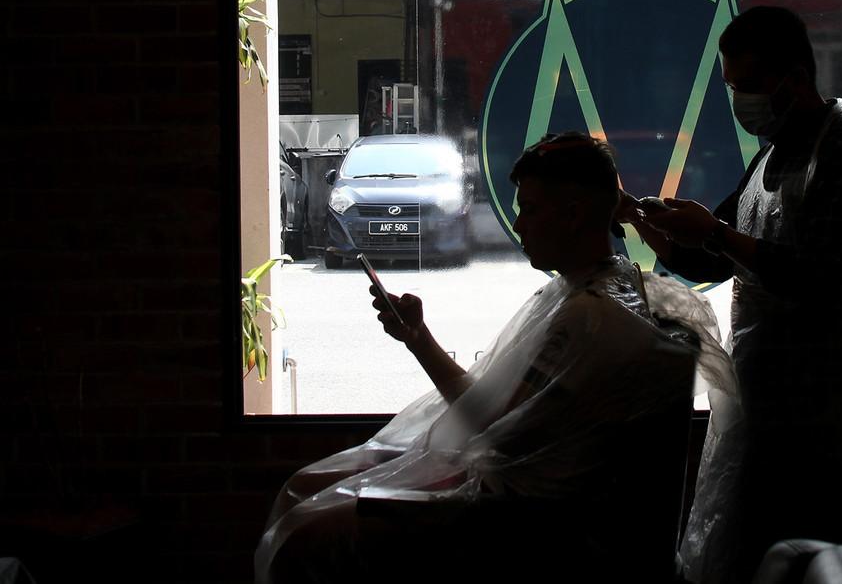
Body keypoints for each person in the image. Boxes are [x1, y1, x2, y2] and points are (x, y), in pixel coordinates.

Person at [255, 133, 733, 584]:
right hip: (532, 498)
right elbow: (504, 423)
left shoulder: (589, 318)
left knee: (302, 534)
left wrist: (420, 341)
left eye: (529, 209)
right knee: (311, 486)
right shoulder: (600, 290)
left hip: (528, 525)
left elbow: (492, 429)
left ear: (571, 214)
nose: (519, 224)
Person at [617, 6, 842, 584]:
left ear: (794, 78)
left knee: (802, 557)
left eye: (747, 86)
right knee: (746, 554)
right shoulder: (770, 159)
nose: (739, 101)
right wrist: (636, 216)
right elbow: (707, 261)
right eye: (731, 88)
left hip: (822, 406)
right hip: (764, 395)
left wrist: (719, 235)